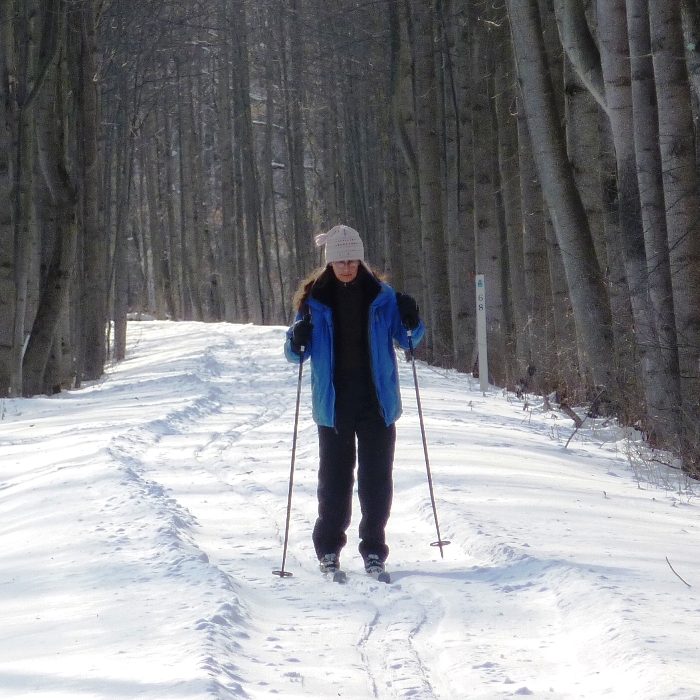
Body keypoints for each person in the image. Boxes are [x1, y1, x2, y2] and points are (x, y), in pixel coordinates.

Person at [284, 224, 424, 577]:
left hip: (377, 402)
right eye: (340, 260)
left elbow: (408, 340)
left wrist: (412, 317)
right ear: (329, 262)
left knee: (377, 479)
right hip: (334, 404)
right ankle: (329, 548)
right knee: (334, 479)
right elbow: (294, 354)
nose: (347, 266)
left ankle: (374, 549)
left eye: (352, 260)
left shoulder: (382, 295)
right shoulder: (313, 300)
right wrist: (297, 338)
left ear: (361, 260)